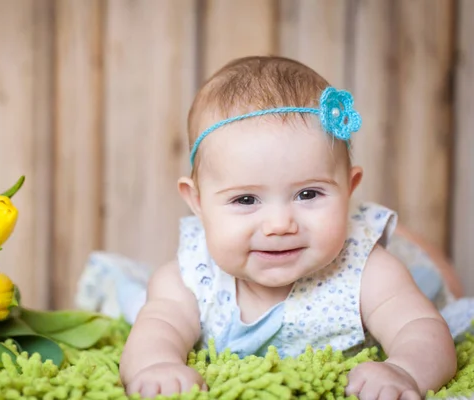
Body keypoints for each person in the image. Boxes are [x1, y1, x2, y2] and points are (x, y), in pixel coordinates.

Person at [82, 56, 461, 399]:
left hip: (397, 268)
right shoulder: (190, 278)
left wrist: (403, 370)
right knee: (139, 297)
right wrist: (156, 367)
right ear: (197, 201)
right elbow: (155, 333)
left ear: (349, 188)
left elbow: (424, 331)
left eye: (308, 194)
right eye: (246, 200)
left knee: (438, 290)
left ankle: (419, 251)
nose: (280, 224)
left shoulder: (367, 271)